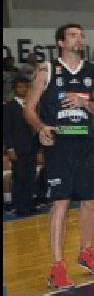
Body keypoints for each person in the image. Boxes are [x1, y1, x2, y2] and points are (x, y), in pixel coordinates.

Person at [23, 23, 94, 289]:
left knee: (90, 202)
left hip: (85, 143)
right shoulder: (46, 70)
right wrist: (40, 128)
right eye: (73, 35)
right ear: (60, 42)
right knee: (60, 202)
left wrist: (85, 103)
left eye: (81, 35)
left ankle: (86, 252)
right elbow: (28, 108)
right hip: (58, 143)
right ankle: (57, 267)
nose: (79, 39)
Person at [3, 77, 39, 216]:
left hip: (32, 147)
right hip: (17, 148)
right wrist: (10, 148)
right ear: (15, 89)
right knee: (19, 178)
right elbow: (6, 129)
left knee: (30, 177)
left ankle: (29, 204)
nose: (23, 90)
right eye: (20, 87)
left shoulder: (33, 105)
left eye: (26, 87)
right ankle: (20, 206)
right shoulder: (9, 106)